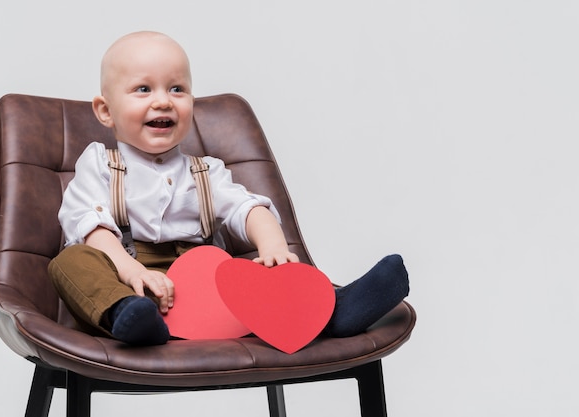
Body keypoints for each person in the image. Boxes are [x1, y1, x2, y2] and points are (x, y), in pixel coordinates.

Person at [48, 31, 409, 346]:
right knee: (72, 261)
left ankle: (336, 310)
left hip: (202, 283)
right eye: (143, 89)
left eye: (177, 88)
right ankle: (129, 317)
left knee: (252, 274)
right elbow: (89, 225)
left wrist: (273, 249)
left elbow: (248, 209)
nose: (163, 100)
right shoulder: (100, 163)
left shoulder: (206, 171)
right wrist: (133, 273)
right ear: (105, 111)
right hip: (127, 275)